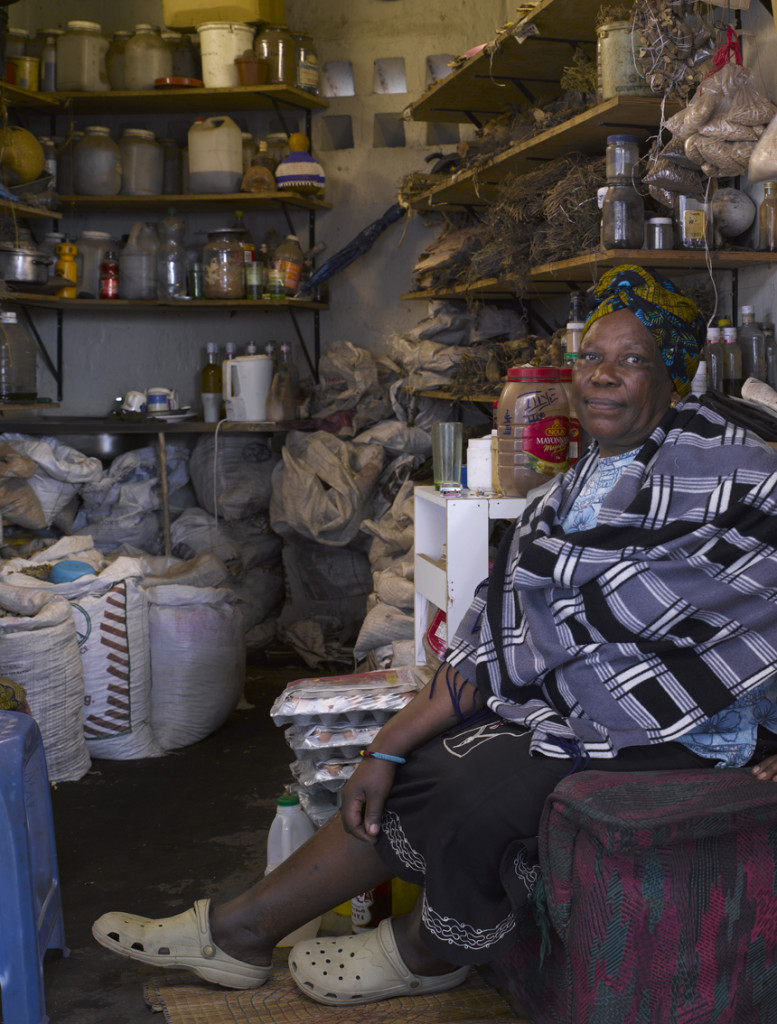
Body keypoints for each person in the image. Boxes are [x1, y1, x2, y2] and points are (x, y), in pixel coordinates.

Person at [93, 265, 777, 1006]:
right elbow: (511, 628)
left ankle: (429, 951)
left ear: (671, 373)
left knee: (473, 780)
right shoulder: (579, 482)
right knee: (420, 758)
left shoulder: (724, 466)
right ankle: (240, 933)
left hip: (692, 720)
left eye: (633, 359)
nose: (603, 378)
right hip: (575, 703)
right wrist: (386, 743)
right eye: (590, 358)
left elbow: (733, 599)